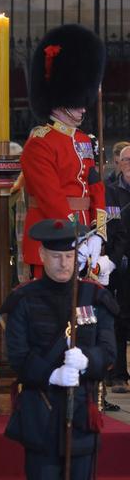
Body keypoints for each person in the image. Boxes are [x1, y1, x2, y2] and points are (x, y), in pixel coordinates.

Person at [3, 218, 117, 480]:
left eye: (69, 255)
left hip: (82, 409)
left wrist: (89, 362)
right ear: (41, 255)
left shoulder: (93, 298)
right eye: (55, 256)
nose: (63, 263)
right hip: (42, 409)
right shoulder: (24, 299)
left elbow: (109, 351)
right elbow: (17, 356)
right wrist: (50, 374)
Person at [21, 24, 107, 281]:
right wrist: (76, 235)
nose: (83, 109)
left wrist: (98, 233)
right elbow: (51, 198)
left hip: (84, 239)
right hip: (53, 239)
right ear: (60, 101)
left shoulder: (82, 140)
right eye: (76, 103)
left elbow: (95, 186)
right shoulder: (40, 142)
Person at [104, 144, 130, 392]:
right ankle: (119, 373)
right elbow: (112, 230)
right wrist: (115, 258)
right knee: (120, 319)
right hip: (122, 264)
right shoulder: (111, 192)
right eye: (127, 160)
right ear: (119, 163)